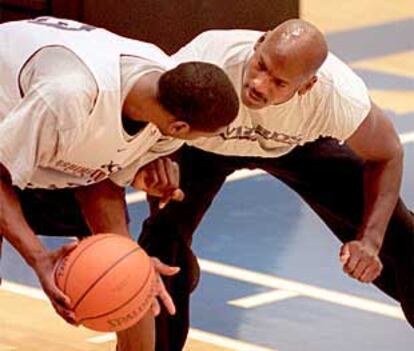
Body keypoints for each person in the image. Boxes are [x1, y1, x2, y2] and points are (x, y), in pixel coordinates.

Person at [137, 19, 414, 351]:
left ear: (307, 85)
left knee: (404, 239)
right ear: (260, 43)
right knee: (163, 248)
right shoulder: (205, 60)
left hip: (297, 146)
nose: (259, 83)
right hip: (203, 142)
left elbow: (388, 153)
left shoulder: (334, 96)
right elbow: (146, 111)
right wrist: (152, 157)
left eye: (279, 82)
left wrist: (370, 240)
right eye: (261, 66)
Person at [0, 16, 239, 351]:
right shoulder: (68, 97)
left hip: (47, 148)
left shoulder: (163, 99)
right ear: (181, 127)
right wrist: (38, 258)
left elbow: (99, 178)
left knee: (128, 278)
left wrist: (128, 257)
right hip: (15, 124)